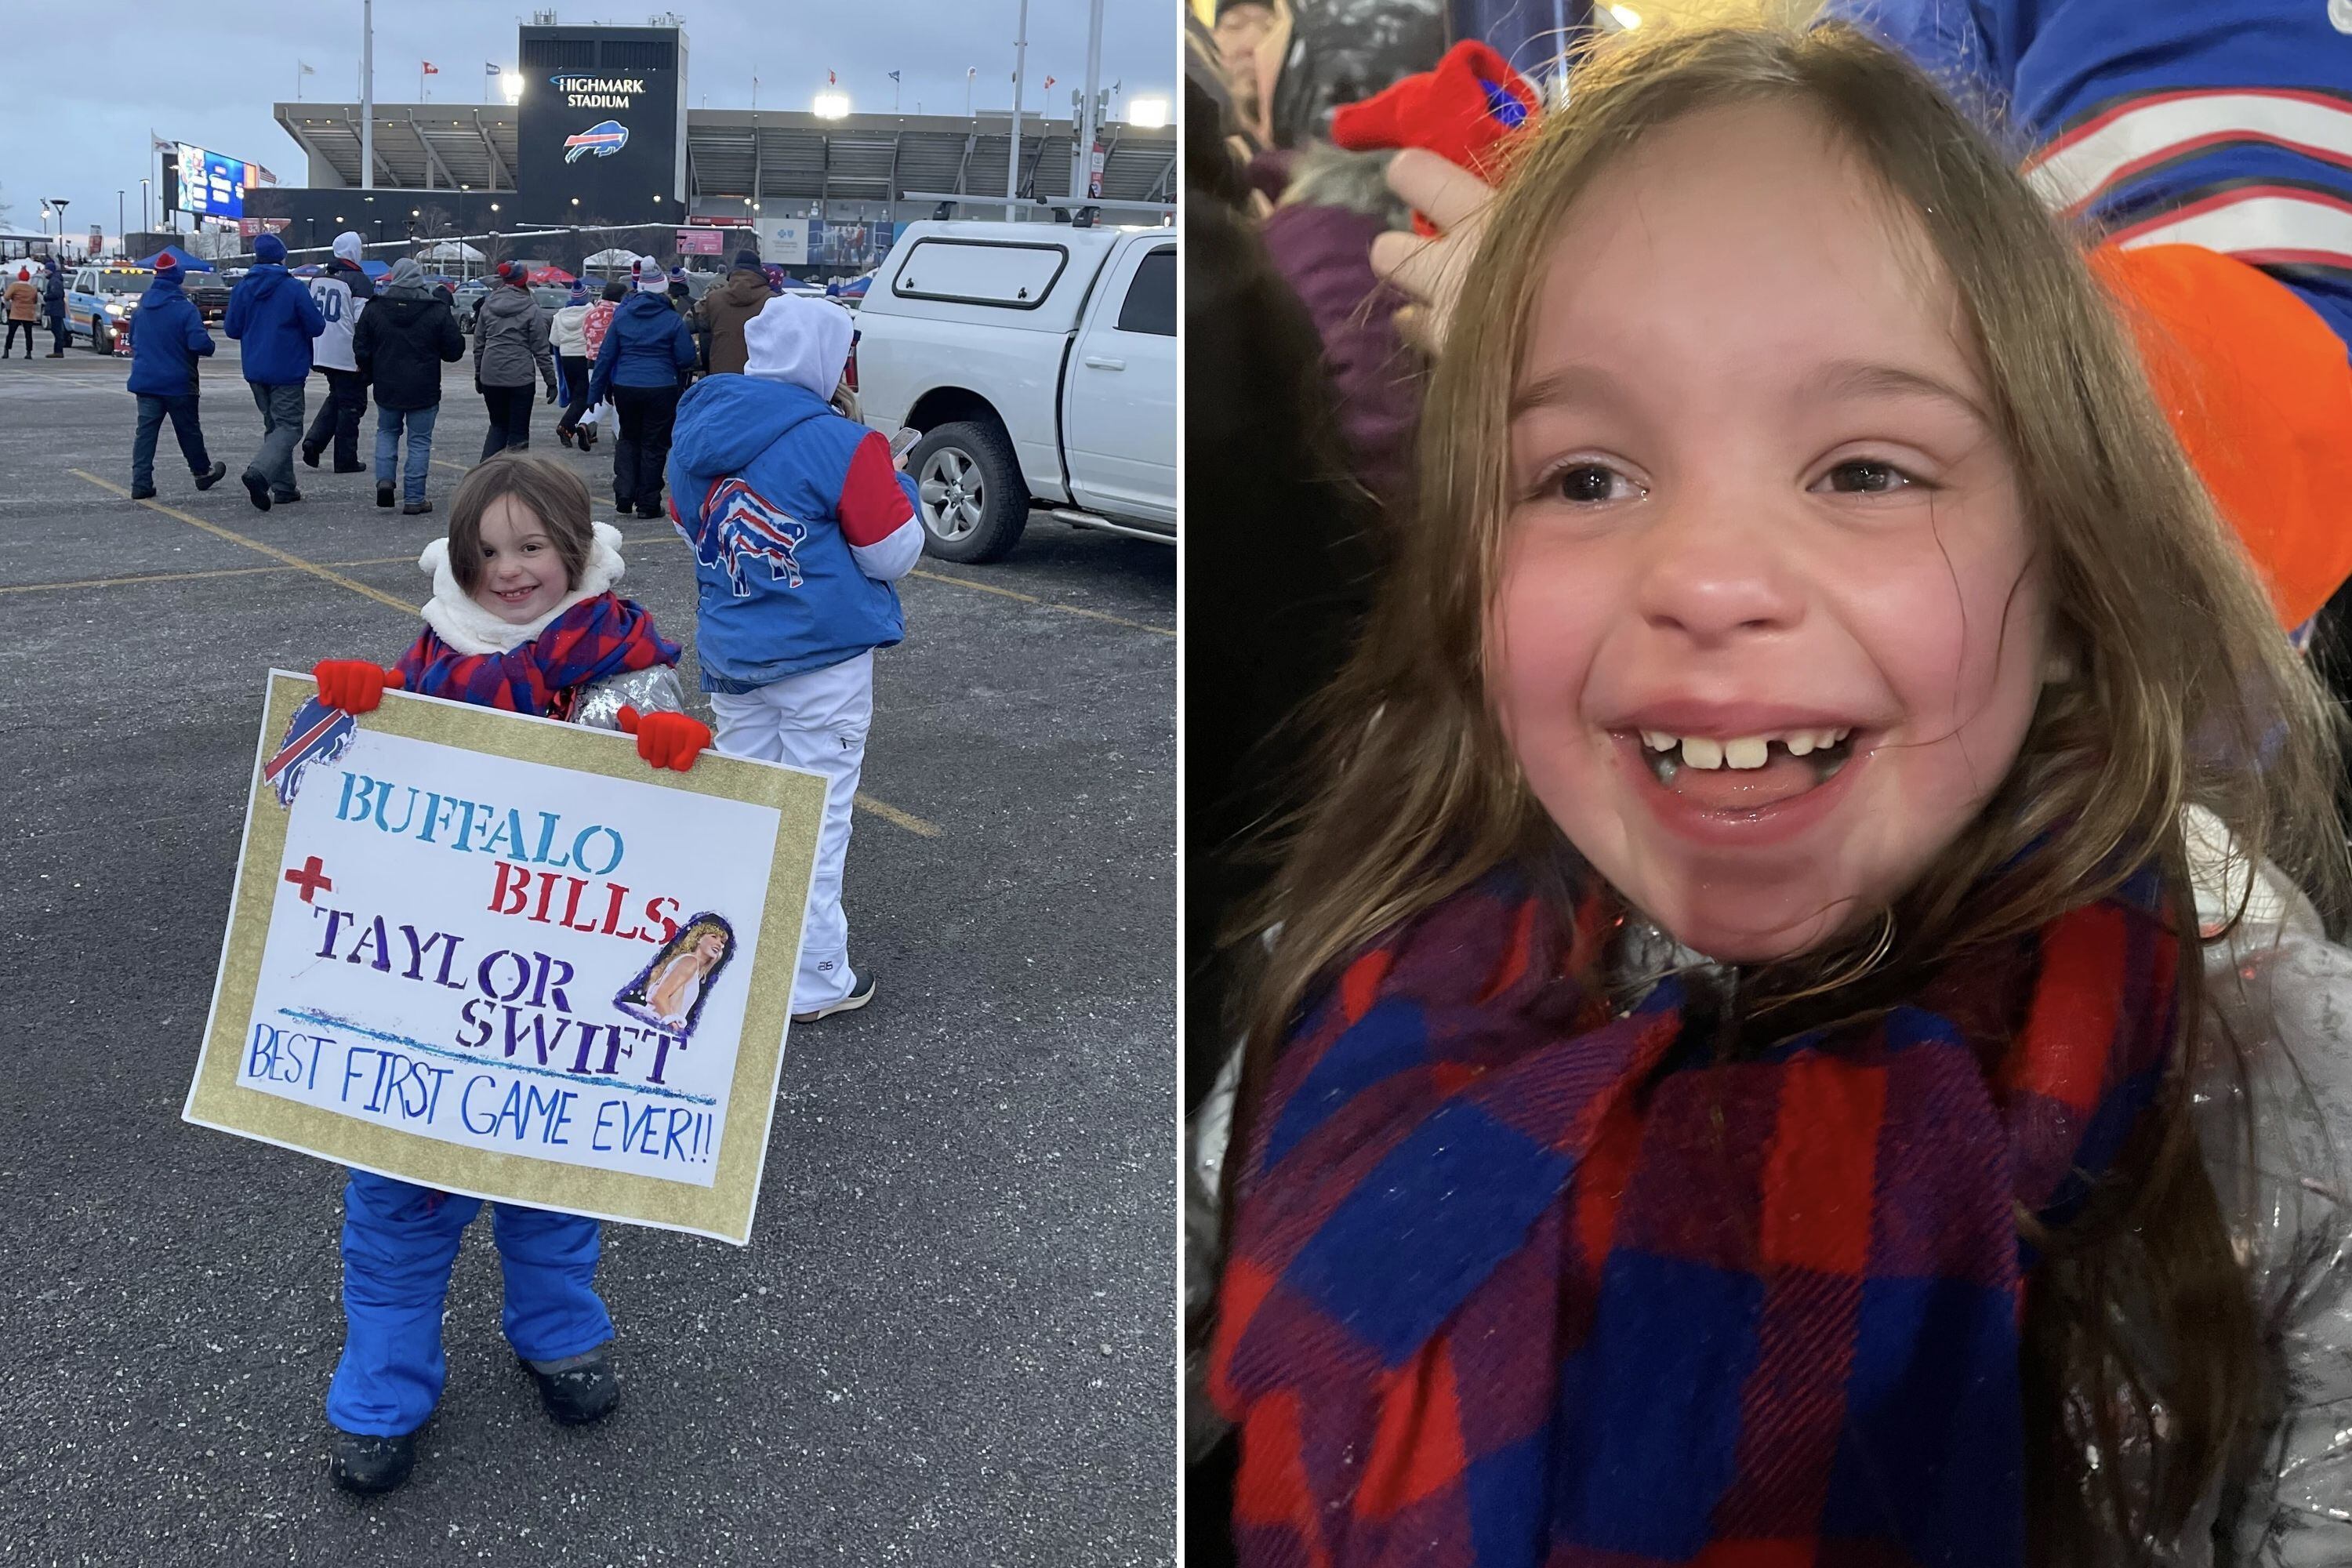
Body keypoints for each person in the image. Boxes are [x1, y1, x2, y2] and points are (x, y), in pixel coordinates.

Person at [1202, 23, 2352, 1566]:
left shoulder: (2264, 1065)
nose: (1709, 580)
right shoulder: (1374, 929)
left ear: (2076, 552)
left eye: (1866, 470)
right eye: (1587, 477)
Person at [306, 452, 713, 1497]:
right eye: (487, 551)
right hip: (431, 987)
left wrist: (670, 753)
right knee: (397, 1199)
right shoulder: (440, 645)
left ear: (573, 546)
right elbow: (381, 789)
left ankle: (560, 1338)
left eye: (531, 547)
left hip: (554, 1000)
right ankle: (381, 1394)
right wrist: (363, 710)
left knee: (551, 1186)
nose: (510, 570)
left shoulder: (621, 652)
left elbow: (673, 827)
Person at [666, 294, 923, 1022]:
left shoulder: (697, 432)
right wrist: (897, 480)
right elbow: (893, 553)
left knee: (752, 805)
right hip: (823, 657)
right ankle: (812, 977)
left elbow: (696, 534)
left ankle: (737, 955)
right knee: (819, 814)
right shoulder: (843, 443)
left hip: (735, 652)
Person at [352, 256, 464, 515]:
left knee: (387, 432)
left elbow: (361, 346)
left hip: (387, 384)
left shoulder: (375, 307)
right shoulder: (435, 309)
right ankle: (414, 498)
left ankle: (385, 481)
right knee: (419, 442)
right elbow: (454, 351)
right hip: (424, 387)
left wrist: (371, 368)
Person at [223, 232, 325, 512]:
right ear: (282, 257)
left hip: (256, 368)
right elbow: (317, 326)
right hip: (287, 368)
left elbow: (232, 329)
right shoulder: (292, 288)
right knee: (289, 428)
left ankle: (284, 487)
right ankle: (260, 472)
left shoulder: (243, 288)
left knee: (274, 426)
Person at [586, 271, 697, 519]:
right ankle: (648, 503)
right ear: (664, 290)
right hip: (661, 387)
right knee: (654, 444)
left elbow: (606, 356)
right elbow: (686, 357)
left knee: (628, 438)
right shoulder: (672, 318)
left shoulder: (622, 315)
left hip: (625, 386)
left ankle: (624, 493)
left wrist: (594, 394)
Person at [123, 252, 228, 500]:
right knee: (188, 430)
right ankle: (202, 473)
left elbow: (134, 340)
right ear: (178, 278)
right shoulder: (184, 309)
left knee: (146, 433)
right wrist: (210, 344)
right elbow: (200, 344)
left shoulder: (141, 308)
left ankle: (141, 482)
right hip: (179, 382)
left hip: (146, 380)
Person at [299, 231, 375, 474]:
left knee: (338, 397)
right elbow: (364, 321)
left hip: (321, 349)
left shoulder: (319, 276)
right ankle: (345, 458)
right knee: (352, 404)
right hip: (346, 352)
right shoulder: (359, 281)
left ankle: (315, 441)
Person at [473, 260, 557, 458]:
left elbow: (479, 343)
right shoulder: (530, 307)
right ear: (523, 281)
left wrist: (478, 374)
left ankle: (486, 473)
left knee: (498, 426)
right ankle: (516, 480)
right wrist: (550, 381)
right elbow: (541, 348)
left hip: (491, 373)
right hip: (520, 376)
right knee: (518, 432)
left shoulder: (488, 304)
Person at [699, 249, 775, 376]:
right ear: (759, 270)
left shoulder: (713, 299)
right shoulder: (772, 301)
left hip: (720, 373)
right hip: (759, 374)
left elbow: (703, 334)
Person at [550, 281, 593, 448]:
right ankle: (566, 426)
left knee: (577, 394)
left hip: (567, 356)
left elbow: (553, 339)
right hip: (584, 355)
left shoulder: (560, 315)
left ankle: (578, 428)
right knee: (585, 396)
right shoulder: (590, 312)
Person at [5, 268, 40, 358]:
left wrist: (13, 298)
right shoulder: (32, 288)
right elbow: (35, 300)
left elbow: (6, 296)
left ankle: (7, 351)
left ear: (19, 277)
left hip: (16, 313)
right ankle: (29, 353)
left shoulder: (15, 286)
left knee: (11, 333)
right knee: (28, 334)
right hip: (28, 314)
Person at [42, 256, 68, 357]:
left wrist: (46, 296)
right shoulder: (56, 279)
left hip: (55, 309)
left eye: (46, 271)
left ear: (51, 271)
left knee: (57, 330)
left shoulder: (55, 281)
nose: (45, 273)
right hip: (56, 309)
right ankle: (58, 351)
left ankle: (58, 351)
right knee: (56, 329)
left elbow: (56, 294)